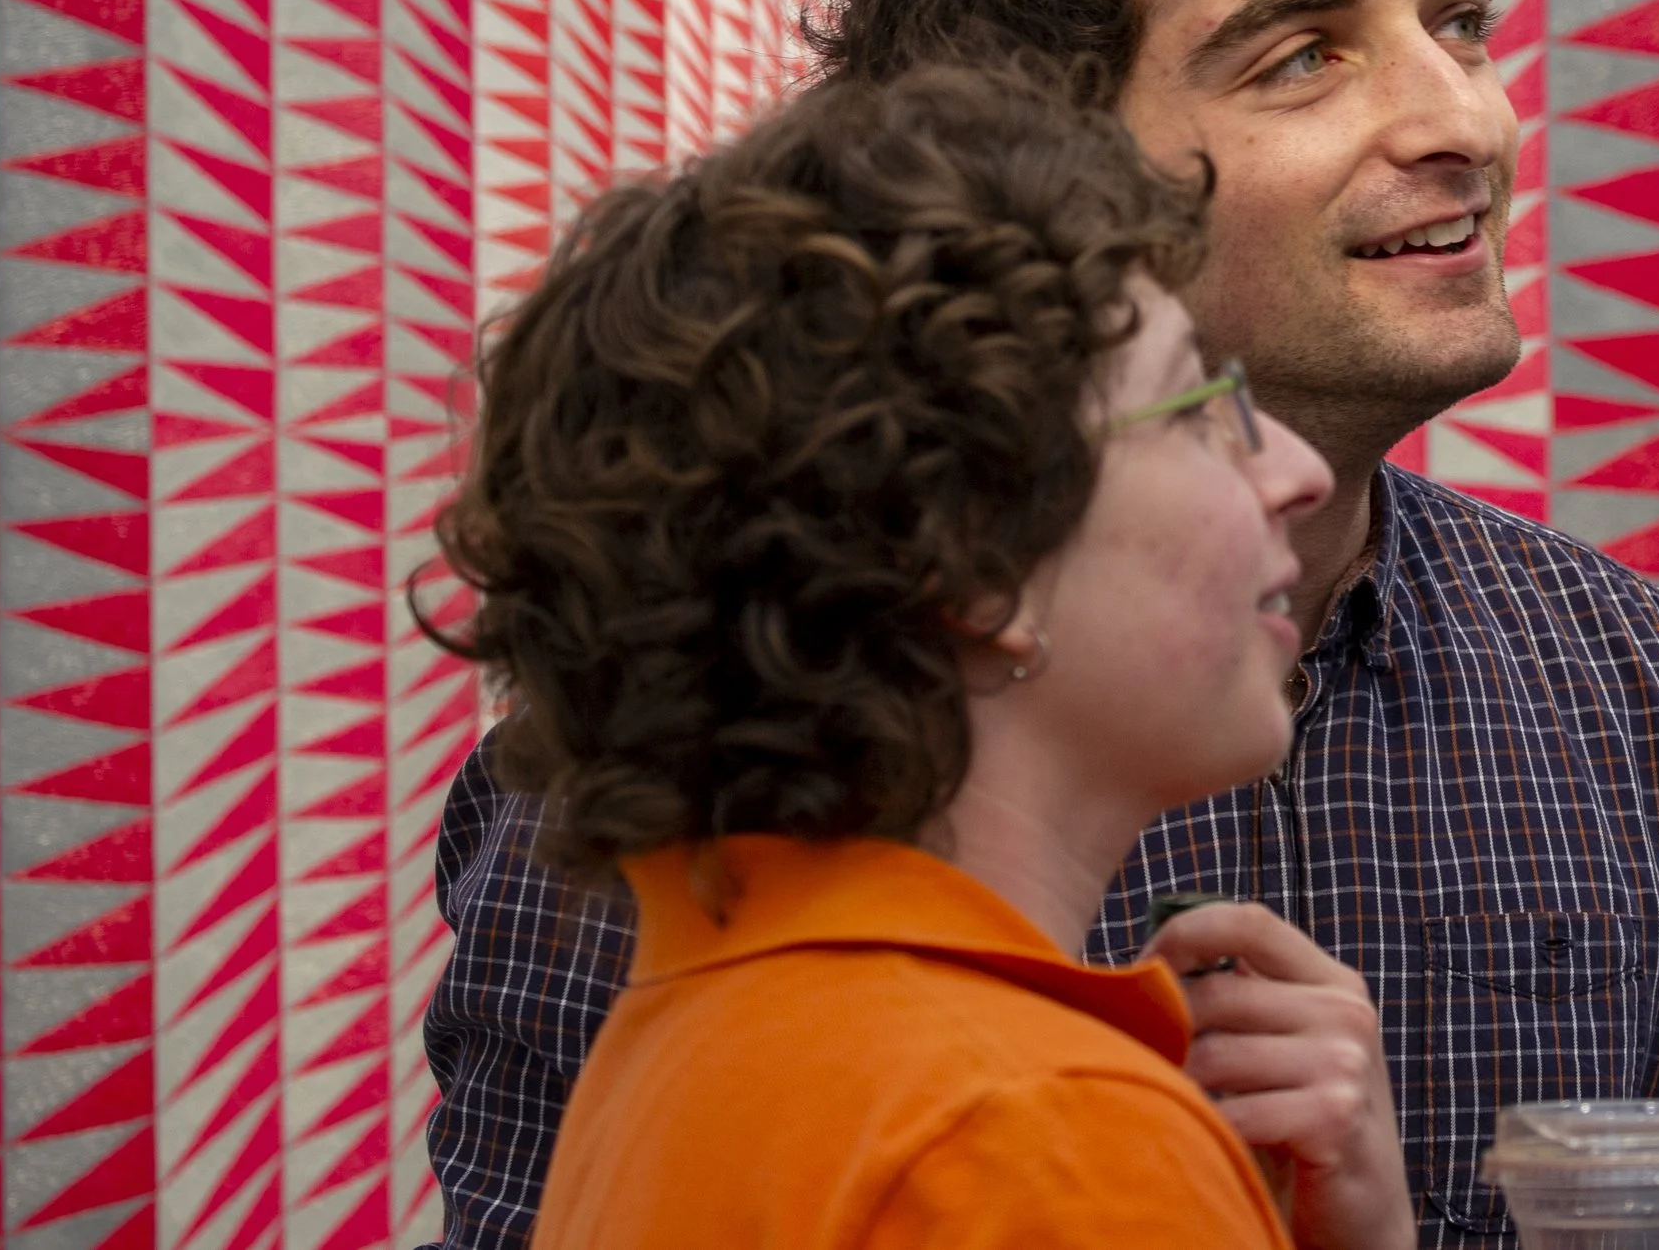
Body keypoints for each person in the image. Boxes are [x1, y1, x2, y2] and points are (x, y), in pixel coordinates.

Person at [423, 0, 1659, 1250]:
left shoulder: (1613, 677)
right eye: (1306, 53)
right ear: (1038, 176)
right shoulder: (716, 747)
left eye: (1461, 19)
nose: (1466, 119)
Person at [425, 62, 1350, 1246]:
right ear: (971, 559)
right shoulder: (1041, 1133)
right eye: (1192, 407)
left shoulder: (690, 1040)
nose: (1296, 469)